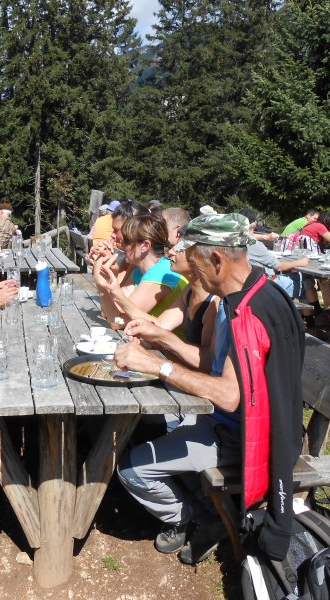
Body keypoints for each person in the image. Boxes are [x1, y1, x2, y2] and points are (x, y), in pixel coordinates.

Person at [114, 213, 304, 566]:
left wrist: (158, 365)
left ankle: (199, 518)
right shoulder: (250, 296)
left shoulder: (247, 313)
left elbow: (229, 395)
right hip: (233, 425)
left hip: (241, 440)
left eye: (196, 264)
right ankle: (204, 508)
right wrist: (162, 337)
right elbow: (212, 362)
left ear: (216, 259)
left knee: (130, 469)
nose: (193, 274)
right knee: (150, 428)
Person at [95, 213, 188, 322]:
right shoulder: (140, 270)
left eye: (126, 240)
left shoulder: (161, 274)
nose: (120, 244)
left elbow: (118, 321)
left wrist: (99, 279)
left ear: (145, 246)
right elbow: (108, 312)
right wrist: (109, 275)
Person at [240, 208, 309, 298]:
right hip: (267, 285)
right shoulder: (255, 245)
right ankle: (313, 307)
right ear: (254, 224)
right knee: (306, 280)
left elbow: (249, 235)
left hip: (248, 284)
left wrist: (266, 237)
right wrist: (300, 262)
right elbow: (279, 267)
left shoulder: (234, 241)